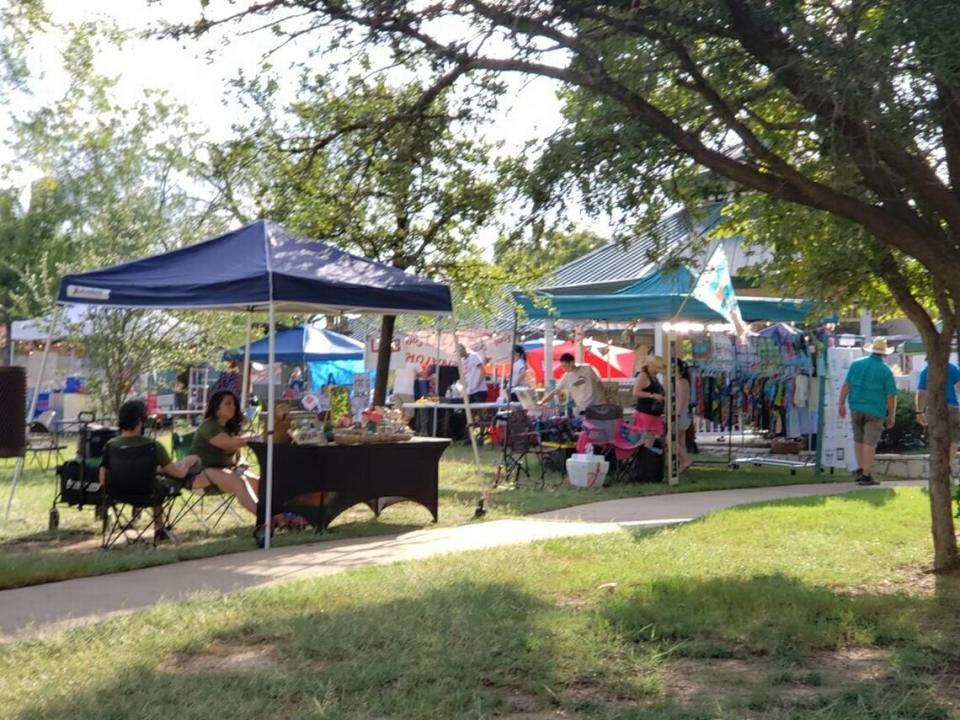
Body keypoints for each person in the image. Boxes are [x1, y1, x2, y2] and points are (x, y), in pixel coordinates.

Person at [99, 399, 202, 540]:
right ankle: (159, 529)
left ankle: (156, 528)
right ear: (142, 420)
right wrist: (187, 463)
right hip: (149, 493)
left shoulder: (110, 446)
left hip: (117, 494)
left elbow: (102, 478)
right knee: (159, 485)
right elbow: (177, 473)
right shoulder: (153, 446)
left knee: (154, 483)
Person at [189, 389, 260, 515]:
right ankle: (265, 518)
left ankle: (279, 515)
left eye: (234, 404)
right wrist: (255, 439)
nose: (232, 407)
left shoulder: (229, 428)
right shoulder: (208, 425)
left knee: (257, 482)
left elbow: (235, 453)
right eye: (228, 404)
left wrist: (241, 462)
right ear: (216, 407)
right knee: (239, 481)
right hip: (199, 475)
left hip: (223, 472)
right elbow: (228, 443)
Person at [838, 337, 897, 486]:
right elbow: (891, 396)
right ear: (884, 354)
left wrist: (841, 404)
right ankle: (866, 475)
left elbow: (846, 385)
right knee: (870, 443)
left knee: (858, 439)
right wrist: (891, 415)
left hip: (856, 407)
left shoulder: (856, 364)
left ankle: (860, 469)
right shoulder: (885, 371)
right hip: (875, 410)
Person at [915, 359, 960, 478]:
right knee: (954, 438)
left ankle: (938, 467)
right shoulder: (952, 368)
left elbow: (921, 393)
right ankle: (948, 465)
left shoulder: (926, 371)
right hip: (952, 406)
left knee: (937, 437)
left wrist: (919, 411)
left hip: (934, 407)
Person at [539, 352, 603, 415]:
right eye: (563, 367)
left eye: (565, 366)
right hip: (582, 408)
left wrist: (603, 400)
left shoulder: (587, 368)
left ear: (572, 363)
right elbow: (555, 391)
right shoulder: (566, 376)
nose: (564, 369)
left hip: (596, 405)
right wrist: (542, 402)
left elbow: (599, 383)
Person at [633, 354, 666, 445]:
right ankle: (646, 457)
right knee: (646, 440)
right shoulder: (643, 375)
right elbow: (636, 392)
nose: (657, 372)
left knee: (651, 440)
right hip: (645, 414)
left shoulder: (653, 377)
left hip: (654, 414)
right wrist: (652, 395)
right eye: (656, 369)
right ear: (650, 366)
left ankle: (649, 457)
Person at [674, 358, 693, 473]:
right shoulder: (681, 381)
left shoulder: (681, 382)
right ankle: (683, 462)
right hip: (683, 414)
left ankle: (685, 460)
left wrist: (677, 414)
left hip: (681, 414)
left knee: (670, 439)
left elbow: (681, 400)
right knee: (681, 441)